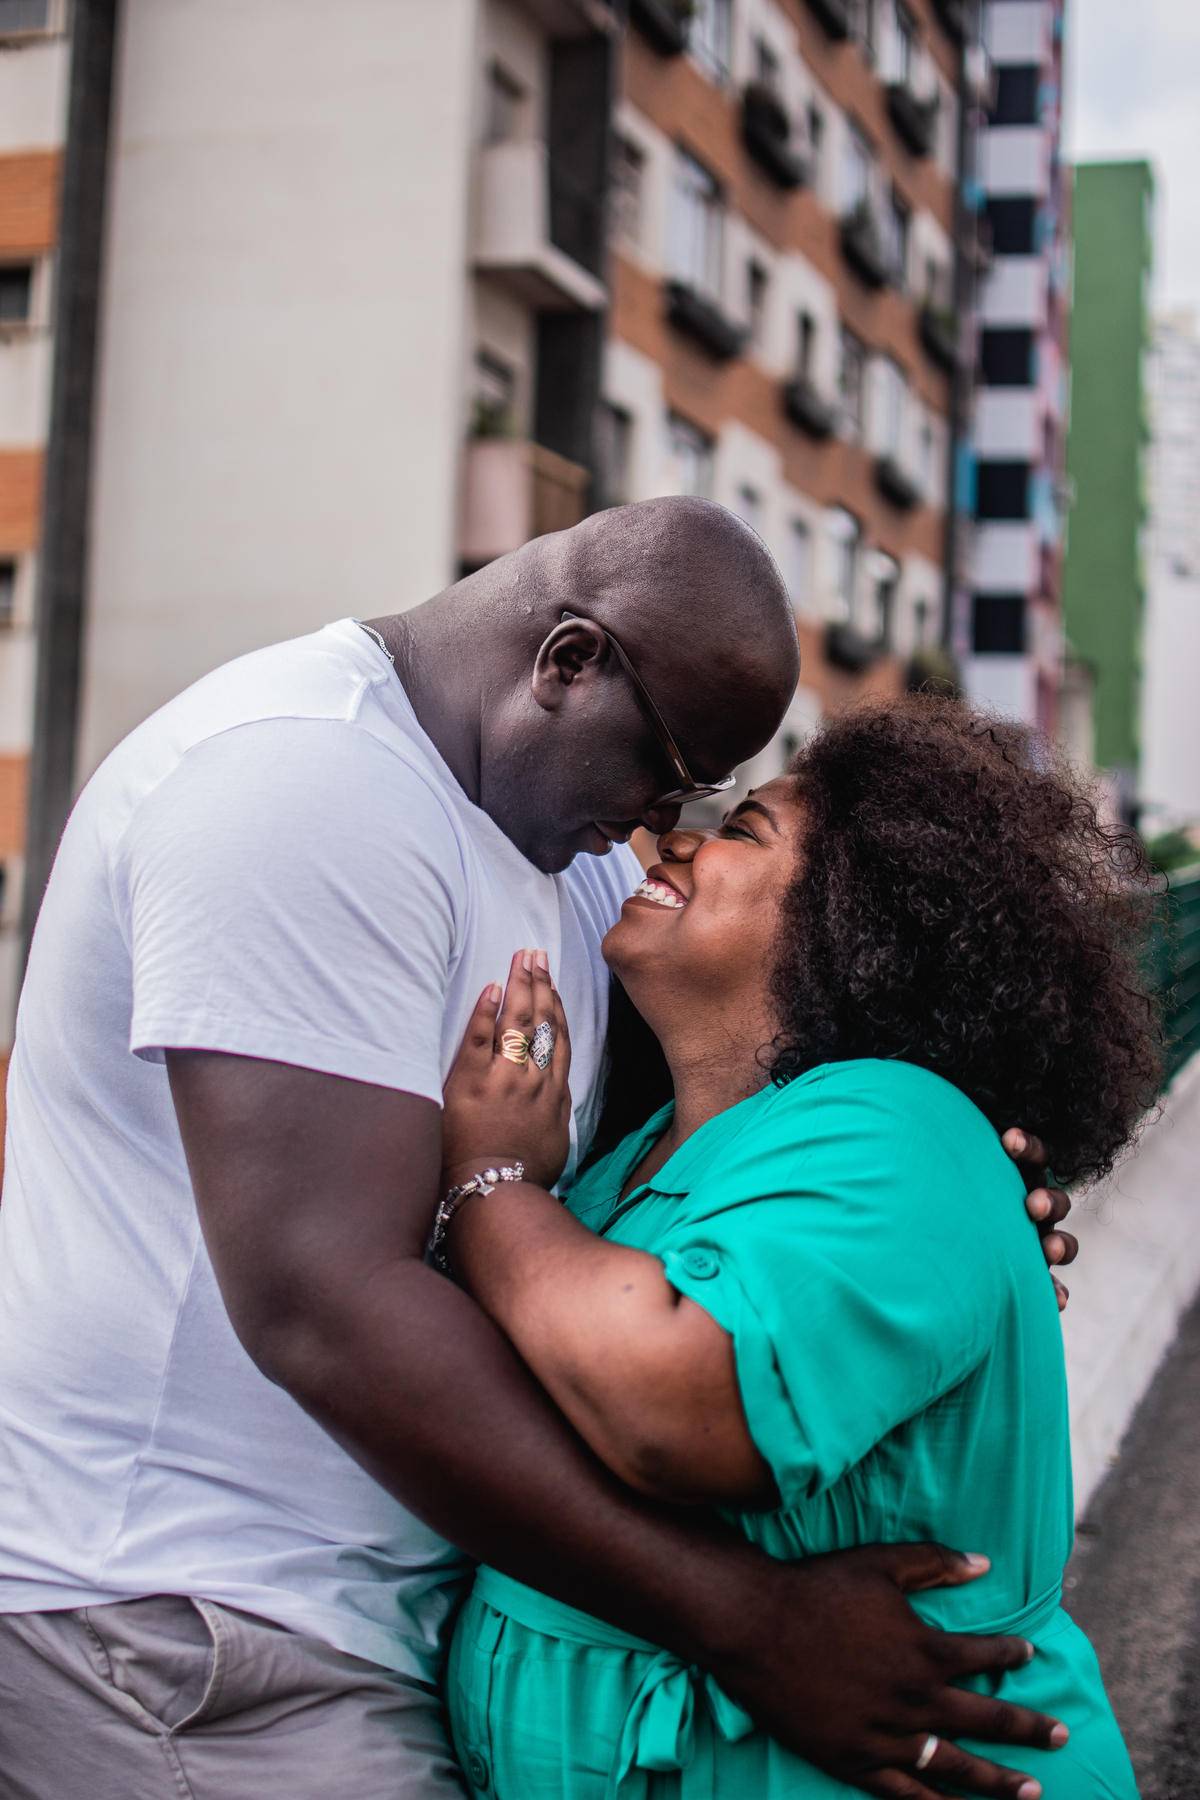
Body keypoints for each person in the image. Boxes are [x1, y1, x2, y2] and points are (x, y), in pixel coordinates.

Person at [0, 501, 1071, 1799]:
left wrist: (956, 1203)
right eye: (666, 773)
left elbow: (746, 1078)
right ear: (568, 663)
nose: (655, 827)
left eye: (706, 805)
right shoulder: (303, 788)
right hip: (189, 1627)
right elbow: (321, 1303)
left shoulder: (564, 853)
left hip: (364, 1613)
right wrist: (746, 1618)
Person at [438, 696, 1157, 1800]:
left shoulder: (895, 1124)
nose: (676, 836)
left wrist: (490, 1183)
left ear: (855, 924)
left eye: (742, 832)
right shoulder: (634, 1153)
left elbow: (674, 1403)